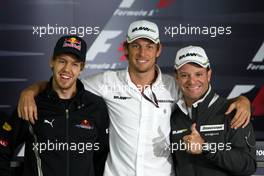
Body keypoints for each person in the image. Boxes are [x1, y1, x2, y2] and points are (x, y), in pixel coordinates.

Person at [17, 20, 251, 176]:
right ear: (125, 48)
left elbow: (202, 91)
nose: (142, 53)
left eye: (149, 46)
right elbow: (65, 82)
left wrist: (243, 101)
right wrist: (31, 91)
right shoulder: (107, 82)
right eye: (136, 46)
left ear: (158, 50)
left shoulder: (174, 85)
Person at [0, 35, 109, 176]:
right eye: (62, 61)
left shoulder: (95, 106)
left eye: (74, 64)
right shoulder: (32, 103)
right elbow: (3, 147)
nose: (67, 69)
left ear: (82, 67)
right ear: (52, 62)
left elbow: (101, 158)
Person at [170, 45, 256, 176]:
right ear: (176, 77)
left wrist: (206, 147)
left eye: (198, 74)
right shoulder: (173, 116)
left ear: (208, 74)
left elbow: (248, 165)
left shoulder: (233, 111)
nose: (192, 81)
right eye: (184, 75)